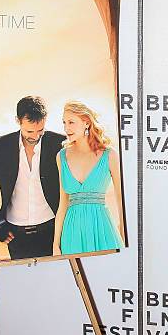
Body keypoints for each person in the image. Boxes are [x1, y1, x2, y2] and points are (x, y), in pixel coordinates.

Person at [0, 96, 65, 260]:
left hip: (52, 231)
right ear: (18, 121)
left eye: (41, 130)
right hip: (15, 236)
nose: (36, 136)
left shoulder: (59, 143)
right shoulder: (1, 146)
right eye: (30, 131)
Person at [53, 100, 124, 255]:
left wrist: (124, 233)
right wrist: (55, 244)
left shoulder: (109, 154)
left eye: (71, 122)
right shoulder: (61, 156)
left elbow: (121, 200)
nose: (66, 128)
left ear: (86, 123)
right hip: (72, 232)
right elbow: (62, 204)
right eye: (64, 123)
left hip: (102, 227)